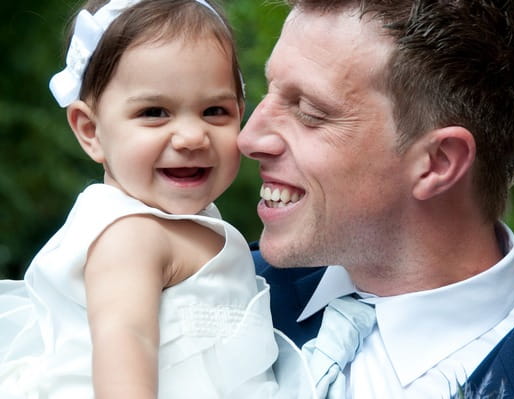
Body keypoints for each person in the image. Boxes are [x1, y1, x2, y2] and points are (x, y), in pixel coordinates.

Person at [238, 0, 514, 398]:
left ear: (438, 162)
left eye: (308, 111)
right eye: (268, 94)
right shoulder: (210, 290)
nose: (248, 138)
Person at [0, 1, 314, 398]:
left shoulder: (173, 224)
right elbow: (126, 341)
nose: (190, 137)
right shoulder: (130, 234)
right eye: (155, 112)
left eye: (214, 111)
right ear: (91, 131)